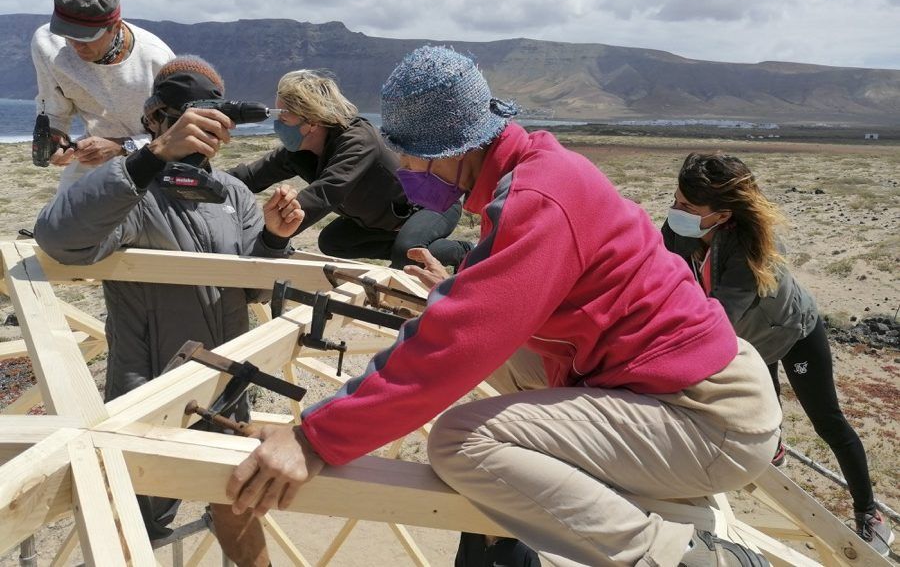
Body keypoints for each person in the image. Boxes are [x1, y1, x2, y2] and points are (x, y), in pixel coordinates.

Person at [225, 46, 782, 567]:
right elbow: (501, 305)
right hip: (681, 386)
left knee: (461, 439)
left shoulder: (537, 197)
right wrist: (464, 285)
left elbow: (456, 343)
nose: (409, 171)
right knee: (498, 354)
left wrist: (314, 437)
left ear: (459, 146)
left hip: (709, 418)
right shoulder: (536, 170)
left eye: (415, 156)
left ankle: (672, 556)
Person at [34, 56, 302, 566]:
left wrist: (273, 237)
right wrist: (149, 157)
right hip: (147, 394)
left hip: (227, 391)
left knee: (237, 505)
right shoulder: (131, 193)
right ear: (156, 118)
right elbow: (58, 239)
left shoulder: (235, 194)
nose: (203, 136)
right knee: (134, 524)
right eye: (182, 120)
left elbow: (251, 289)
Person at [661, 152, 895, 557]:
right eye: (676, 199)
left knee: (829, 422)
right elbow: (659, 269)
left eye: (687, 206)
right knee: (767, 412)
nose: (674, 211)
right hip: (750, 338)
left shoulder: (750, 251)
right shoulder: (680, 228)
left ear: (723, 214)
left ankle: (868, 511)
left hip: (792, 333)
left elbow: (713, 323)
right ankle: (776, 446)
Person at [227, 69, 471, 270]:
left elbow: (326, 193)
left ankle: (465, 252)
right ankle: (411, 249)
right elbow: (250, 176)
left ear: (311, 121)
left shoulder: (358, 139)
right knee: (333, 242)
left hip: (433, 205)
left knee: (406, 252)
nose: (277, 125)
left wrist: (271, 236)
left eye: (284, 118)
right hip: (383, 221)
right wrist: (208, 180)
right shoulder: (299, 151)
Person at [31, 0, 174, 190]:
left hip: (155, 164)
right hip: (92, 158)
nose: (75, 46)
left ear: (115, 26)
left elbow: (178, 136)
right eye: (67, 34)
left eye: (87, 38)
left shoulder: (157, 60)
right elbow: (54, 110)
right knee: (58, 221)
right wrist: (55, 139)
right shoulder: (47, 44)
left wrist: (120, 147)